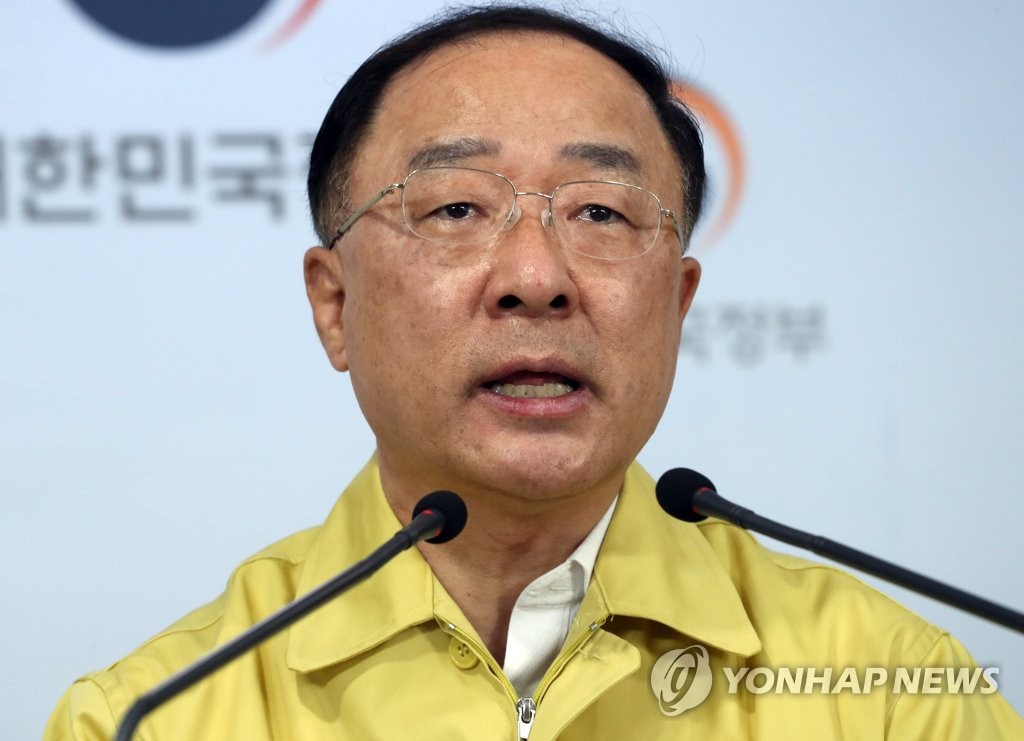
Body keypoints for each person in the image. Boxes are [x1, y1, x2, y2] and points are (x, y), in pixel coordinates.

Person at [45, 5, 1024, 739]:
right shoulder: (158, 716)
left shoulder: (891, 693)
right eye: (455, 209)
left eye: (601, 212)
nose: (536, 278)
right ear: (334, 304)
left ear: (677, 304)